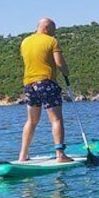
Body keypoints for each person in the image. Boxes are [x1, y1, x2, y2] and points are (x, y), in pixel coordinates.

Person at [18, 18, 73, 162]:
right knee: (56, 119)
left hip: (29, 84)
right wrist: (66, 72)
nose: (55, 34)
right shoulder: (51, 41)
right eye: (54, 30)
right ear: (47, 28)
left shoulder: (25, 42)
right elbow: (59, 63)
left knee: (31, 121)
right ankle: (60, 155)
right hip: (46, 82)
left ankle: (23, 155)